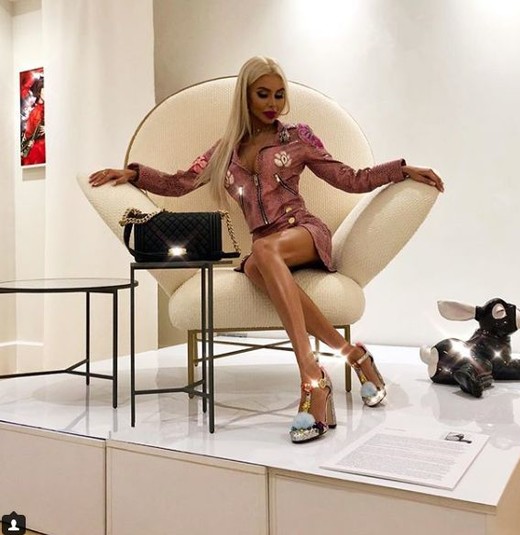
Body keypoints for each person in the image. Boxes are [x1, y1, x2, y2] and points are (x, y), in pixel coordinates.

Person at [90, 56, 444, 444]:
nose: (273, 103)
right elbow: (180, 183)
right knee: (258, 261)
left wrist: (400, 170)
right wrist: (134, 174)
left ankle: (311, 378)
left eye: (278, 94)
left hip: (304, 232)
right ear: (245, 96)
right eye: (263, 94)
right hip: (264, 248)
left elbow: (349, 178)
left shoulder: (297, 138)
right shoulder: (225, 151)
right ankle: (352, 354)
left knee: (264, 254)